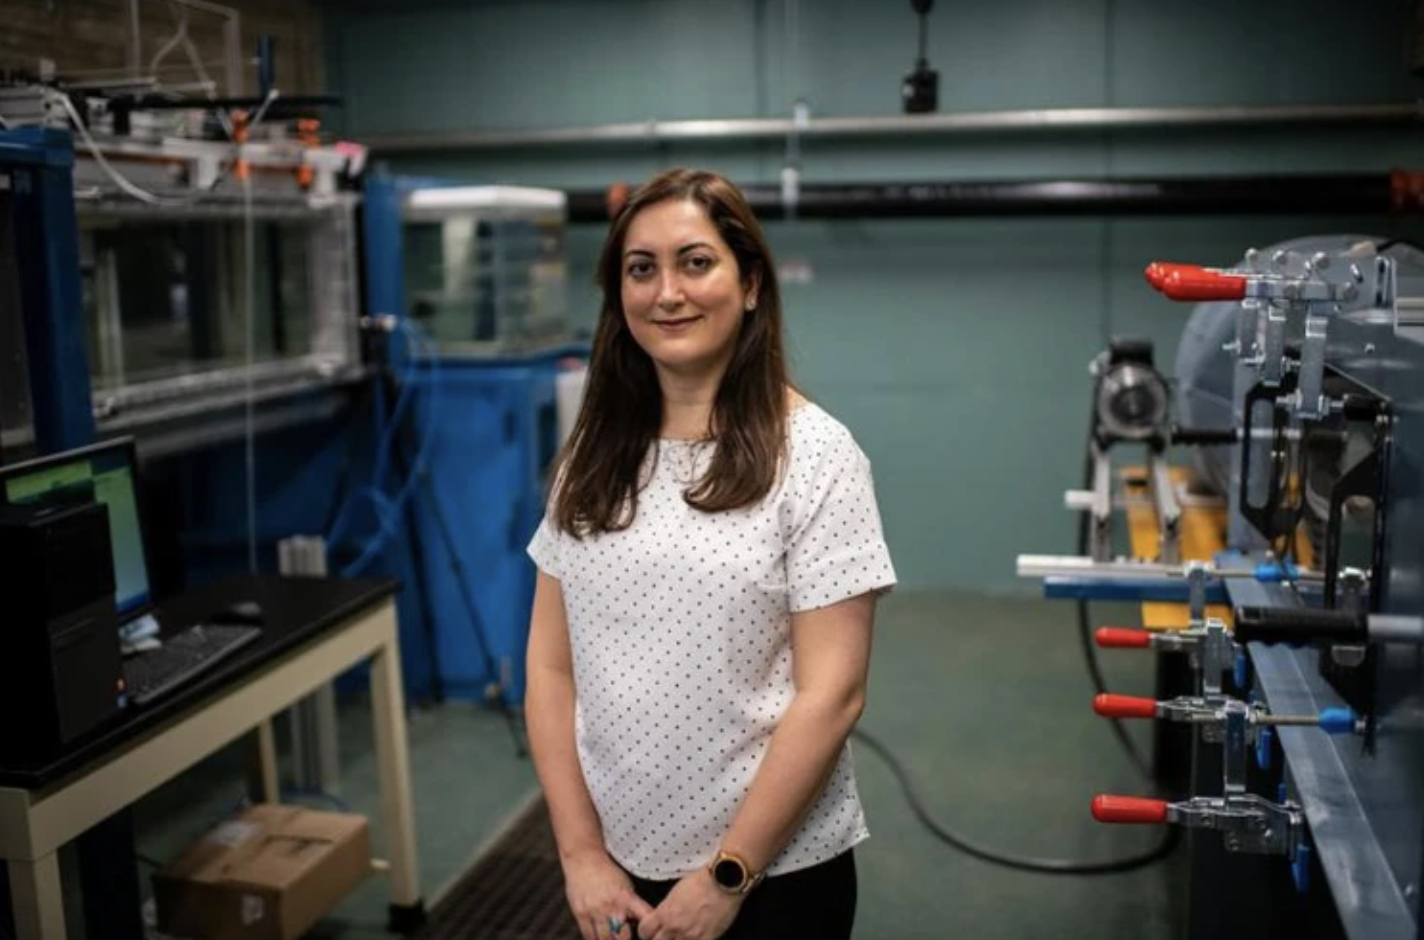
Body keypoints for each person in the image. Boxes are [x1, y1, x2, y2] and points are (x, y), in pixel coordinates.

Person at [525, 167, 896, 940]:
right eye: (641, 268)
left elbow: (832, 695)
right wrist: (581, 854)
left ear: (750, 282)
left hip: (774, 874)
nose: (668, 293)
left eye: (696, 262)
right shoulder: (591, 456)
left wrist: (729, 876)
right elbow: (551, 669)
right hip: (619, 866)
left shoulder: (818, 457)